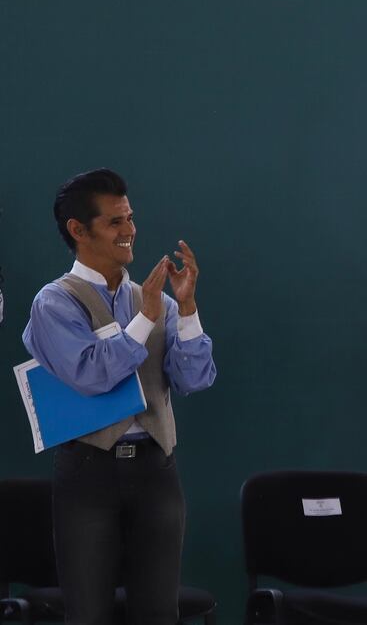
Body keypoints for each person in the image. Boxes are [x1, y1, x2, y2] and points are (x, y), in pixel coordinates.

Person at [22, 168, 217, 624]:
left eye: (129, 217)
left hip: (156, 471)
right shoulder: (55, 303)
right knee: (89, 614)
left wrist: (186, 311)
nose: (129, 230)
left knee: (157, 613)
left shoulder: (155, 299)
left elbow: (195, 379)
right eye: (114, 222)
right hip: (89, 474)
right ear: (78, 230)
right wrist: (145, 320)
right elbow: (90, 373)